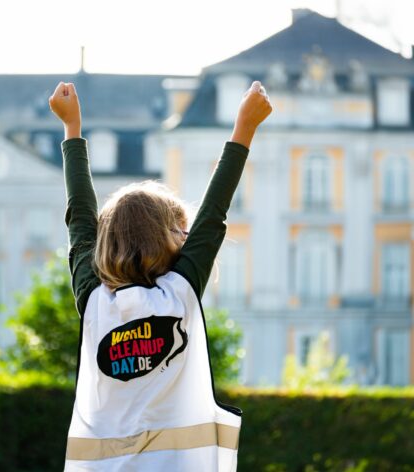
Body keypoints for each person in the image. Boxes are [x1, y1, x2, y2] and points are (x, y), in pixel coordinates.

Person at [48, 80, 272, 471]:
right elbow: (214, 213)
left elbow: (79, 217)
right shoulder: (180, 293)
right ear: (162, 238)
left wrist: (72, 129)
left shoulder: (95, 303)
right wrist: (245, 128)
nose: (188, 238)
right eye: (181, 230)